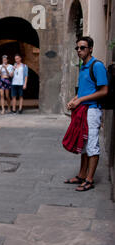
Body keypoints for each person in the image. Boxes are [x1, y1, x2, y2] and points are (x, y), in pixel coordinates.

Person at [65, 36, 108, 191]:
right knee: (83, 145)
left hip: (92, 110)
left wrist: (81, 99)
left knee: (92, 146)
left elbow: (104, 91)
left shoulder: (97, 66)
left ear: (90, 49)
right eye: (77, 48)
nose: (79, 50)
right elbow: (84, 90)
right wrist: (74, 99)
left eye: (82, 47)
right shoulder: (83, 66)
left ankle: (89, 180)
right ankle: (81, 175)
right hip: (82, 110)